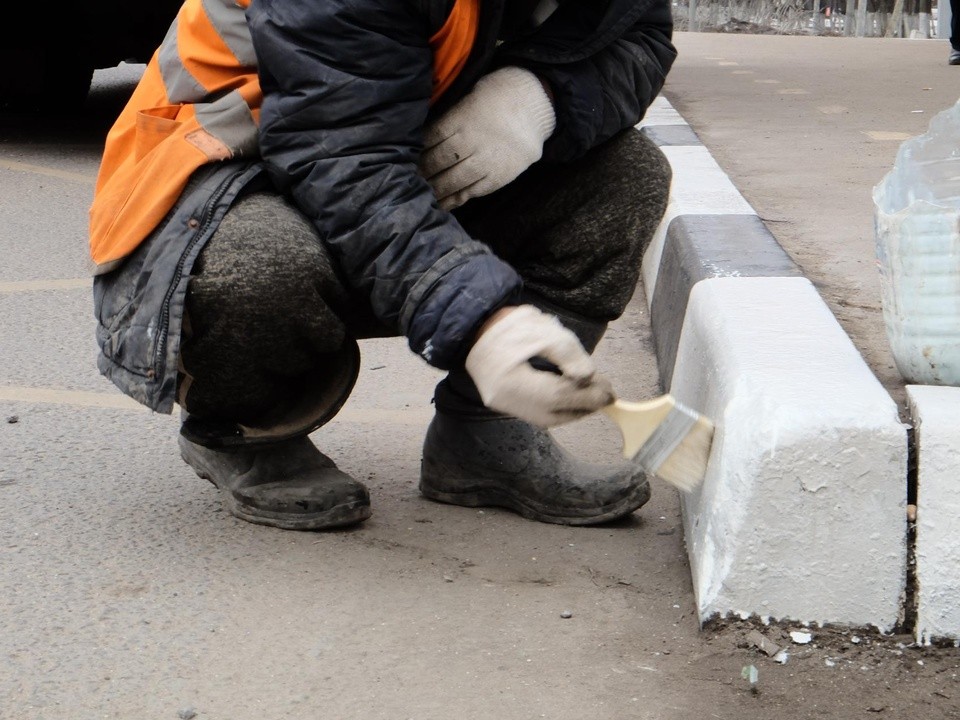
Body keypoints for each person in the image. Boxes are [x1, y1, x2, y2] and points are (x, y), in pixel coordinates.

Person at [90, 0, 676, 531]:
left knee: (626, 179)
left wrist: (538, 99)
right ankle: (245, 430)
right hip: (236, 177)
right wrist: (482, 325)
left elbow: (637, 33)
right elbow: (343, 160)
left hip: (389, 154)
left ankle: (484, 435)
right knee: (258, 268)